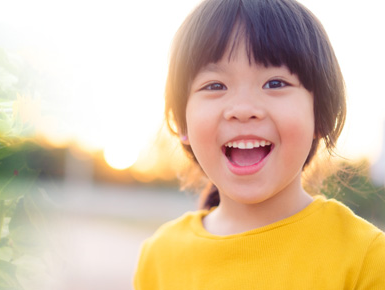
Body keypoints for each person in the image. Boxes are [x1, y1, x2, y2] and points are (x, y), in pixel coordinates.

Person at [134, 0, 385, 288]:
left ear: (321, 115)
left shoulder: (366, 259)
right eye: (215, 85)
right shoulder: (158, 258)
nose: (242, 108)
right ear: (181, 122)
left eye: (275, 83)